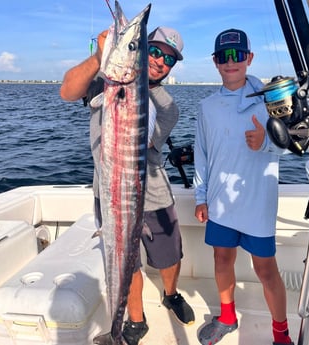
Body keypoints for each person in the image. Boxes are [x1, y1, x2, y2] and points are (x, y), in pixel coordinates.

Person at [60, 26, 195, 345]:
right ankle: (136, 322)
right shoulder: (104, 80)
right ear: (143, 49)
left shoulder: (167, 106)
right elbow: (67, 91)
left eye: (170, 59)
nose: (161, 61)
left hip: (154, 194)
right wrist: (99, 58)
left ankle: (171, 294)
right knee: (127, 260)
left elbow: (139, 142)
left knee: (169, 255)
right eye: (156, 51)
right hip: (109, 192)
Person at [193, 28, 294, 345]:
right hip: (221, 202)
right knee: (222, 259)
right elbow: (202, 154)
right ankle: (226, 316)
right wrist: (201, 196)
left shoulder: (271, 100)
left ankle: (281, 335)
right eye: (224, 57)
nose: (231, 62)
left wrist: (266, 143)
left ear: (249, 58)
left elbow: (293, 145)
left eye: (238, 55)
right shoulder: (207, 107)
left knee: (266, 271)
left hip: (257, 204)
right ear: (215, 62)